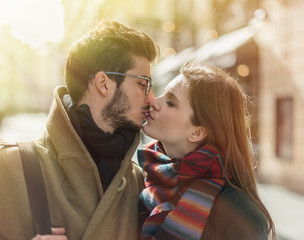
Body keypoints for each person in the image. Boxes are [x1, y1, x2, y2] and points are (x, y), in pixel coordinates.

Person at [0, 19, 159, 240]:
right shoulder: (8, 168)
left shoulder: (141, 185)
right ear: (104, 83)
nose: (151, 98)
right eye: (143, 84)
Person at [137, 62, 276, 240]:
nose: (153, 101)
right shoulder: (145, 178)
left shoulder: (241, 216)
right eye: (163, 93)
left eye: (171, 103)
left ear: (197, 132)